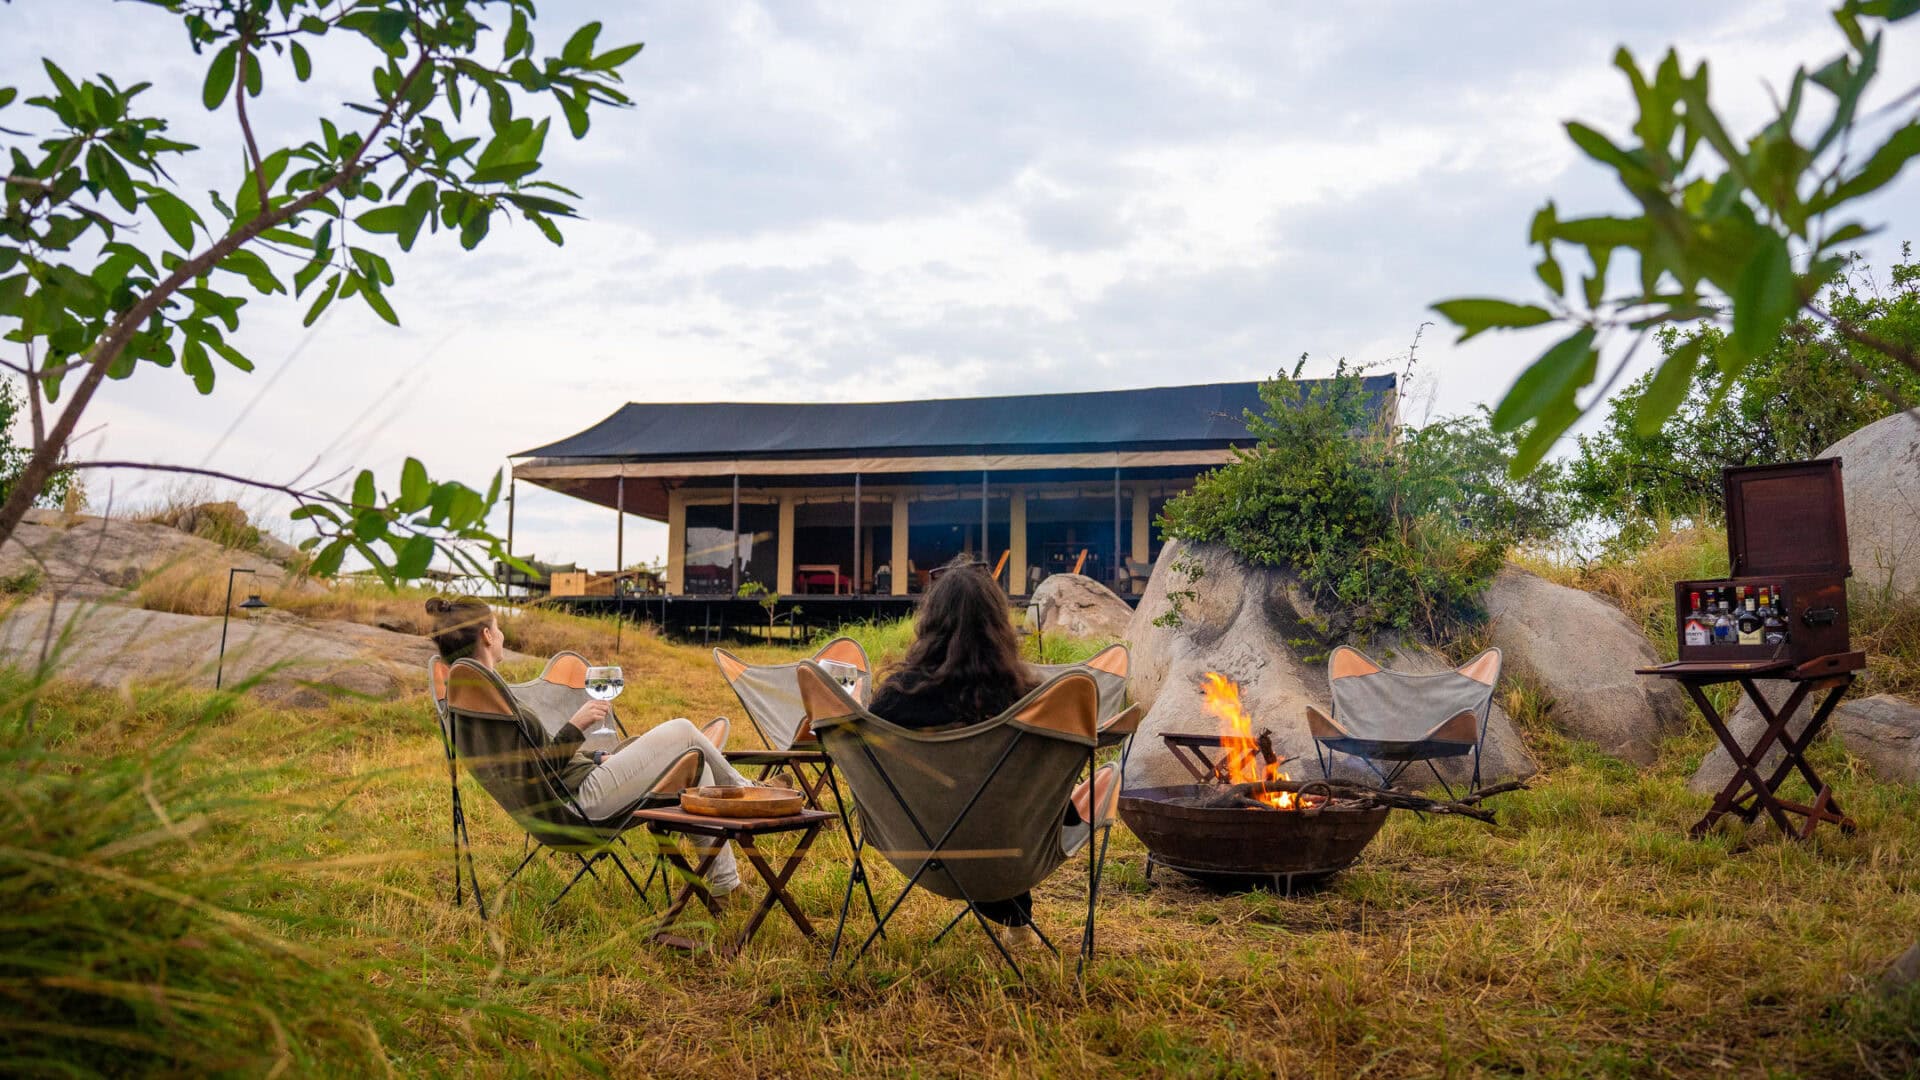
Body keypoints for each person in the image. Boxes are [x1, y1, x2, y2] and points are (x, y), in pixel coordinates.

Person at [425, 595, 750, 895]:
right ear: (486, 635)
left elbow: (535, 764)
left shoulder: (475, 702)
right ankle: (748, 793)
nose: (501, 635)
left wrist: (595, 757)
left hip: (569, 797)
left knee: (694, 763)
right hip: (577, 809)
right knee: (683, 730)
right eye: (497, 628)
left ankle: (726, 887)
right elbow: (541, 770)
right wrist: (577, 725)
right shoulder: (493, 703)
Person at [866, 555, 1090, 944]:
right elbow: (1055, 807)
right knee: (1068, 788)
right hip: (1009, 854)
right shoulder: (1029, 704)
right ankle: (1018, 921)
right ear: (998, 626)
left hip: (918, 848)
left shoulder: (894, 700)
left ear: (929, 623)